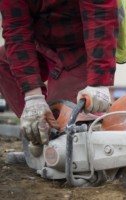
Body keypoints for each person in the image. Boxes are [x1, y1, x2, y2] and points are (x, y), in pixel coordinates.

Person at [0, 0, 119, 155]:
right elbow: (16, 31)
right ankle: (40, 134)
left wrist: (98, 82)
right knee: (3, 62)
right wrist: (32, 98)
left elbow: (100, 16)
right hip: (41, 45)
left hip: (80, 48)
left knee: (74, 128)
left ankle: (69, 145)